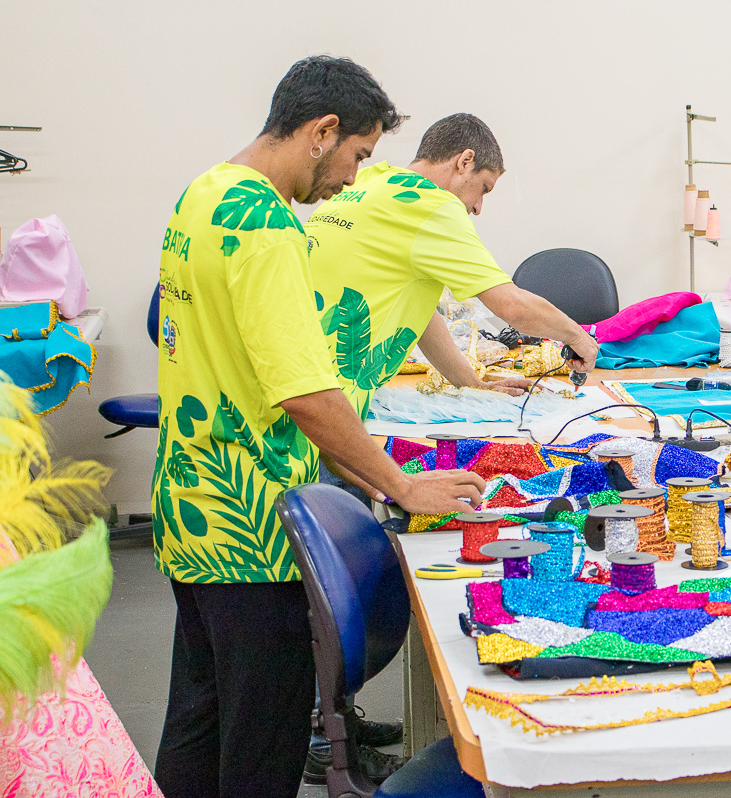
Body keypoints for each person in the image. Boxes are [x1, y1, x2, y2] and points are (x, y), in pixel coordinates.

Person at [151, 56, 487, 798]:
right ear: (321, 131)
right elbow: (305, 393)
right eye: (357, 154)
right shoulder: (267, 225)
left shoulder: (202, 194)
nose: (351, 177)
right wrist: (403, 485)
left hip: (187, 503)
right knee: (261, 741)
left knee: (199, 720)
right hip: (252, 524)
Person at [304, 112, 599, 421]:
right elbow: (512, 307)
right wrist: (579, 338)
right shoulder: (431, 204)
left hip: (294, 382)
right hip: (326, 405)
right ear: (465, 161)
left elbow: (417, 313)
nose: (478, 207)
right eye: (483, 188)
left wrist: (472, 385)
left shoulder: (367, 181)